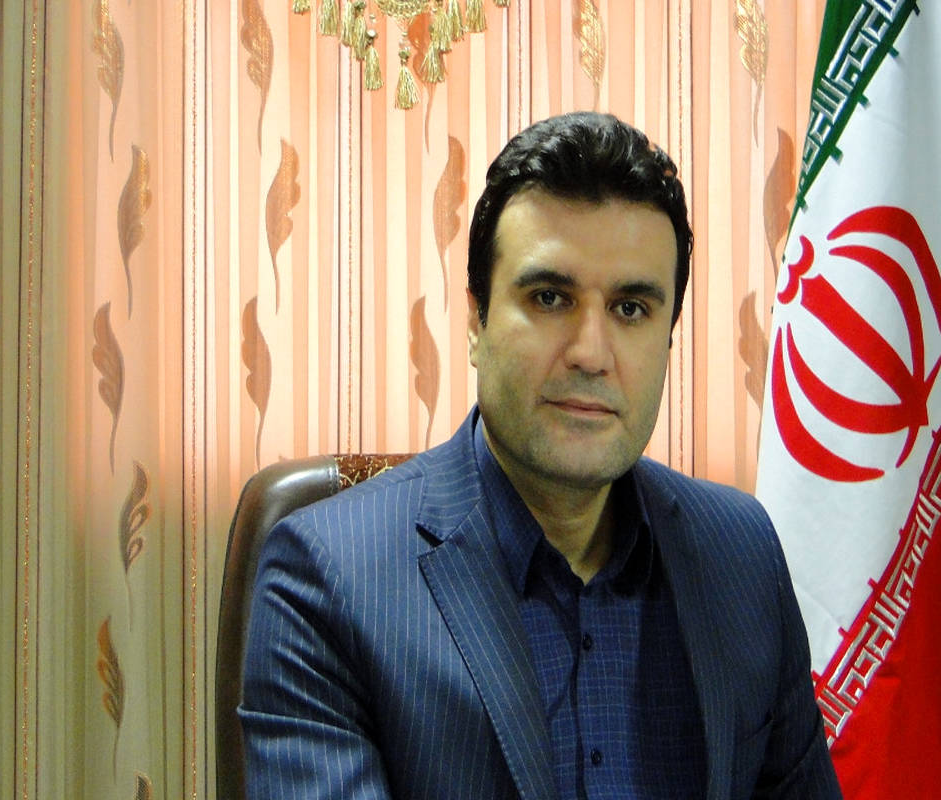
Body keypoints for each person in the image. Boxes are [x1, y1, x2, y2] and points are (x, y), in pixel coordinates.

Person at [239, 111, 841, 799]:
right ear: (476, 322)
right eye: (550, 298)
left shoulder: (742, 553)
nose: (590, 353)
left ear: (670, 338)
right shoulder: (328, 578)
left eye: (631, 309)